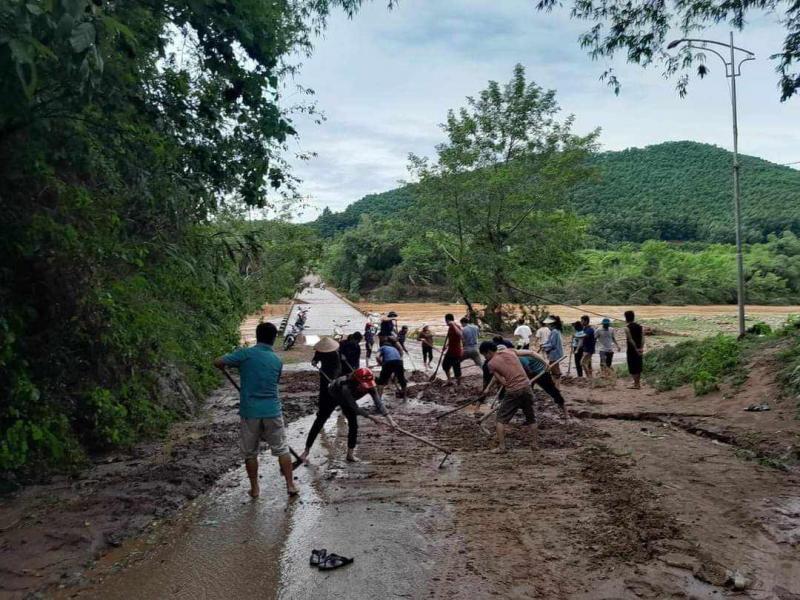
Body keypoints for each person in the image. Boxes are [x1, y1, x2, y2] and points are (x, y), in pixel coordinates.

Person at [213, 322, 296, 498]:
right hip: (272, 410)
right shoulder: (277, 360)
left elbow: (218, 361)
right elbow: (275, 381)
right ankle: (290, 485)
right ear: (274, 339)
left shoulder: (245, 354)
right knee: (282, 448)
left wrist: (223, 365)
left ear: (257, 336)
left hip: (250, 412)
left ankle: (255, 489)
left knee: (250, 452)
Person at [300, 368, 395, 464]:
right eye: (363, 385)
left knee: (353, 425)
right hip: (332, 395)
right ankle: (306, 451)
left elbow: (379, 404)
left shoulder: (370, 387)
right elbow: (356, 409)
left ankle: (350, 454)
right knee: (320, 420)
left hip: (348, 400)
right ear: (356, 382)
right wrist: (371, 417)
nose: (366, 388)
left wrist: (391, 421)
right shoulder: (346, 388)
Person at [478, 342, 539, 454]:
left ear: (489, 352)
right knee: (531, 418)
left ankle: (502, 448)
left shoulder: (491, 363)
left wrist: (504, 384)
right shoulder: (509, 351)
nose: (485, 358)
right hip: (527, 388)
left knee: (500, 419)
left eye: (484, 355)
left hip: (514, 392)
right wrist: (546, 363)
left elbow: (501, 381)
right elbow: (531, 352)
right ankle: (535, 445)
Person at [516, 349, 570, 422]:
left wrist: (526, 380)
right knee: (526, 394)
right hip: (529, 373)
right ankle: (529, 417)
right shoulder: (509, 359)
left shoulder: (520, 358)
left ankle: (566, 413)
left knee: (552, 391)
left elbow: (528, 370)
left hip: (541, 371)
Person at [625, 310, 645, 389]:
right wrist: (641, 348)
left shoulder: (627, 328)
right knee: (638, 365)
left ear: (626, 318)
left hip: (632, 349)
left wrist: (636, 349)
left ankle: (636, 384)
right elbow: (643, 338)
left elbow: (630, 340)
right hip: (640, 348)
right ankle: (637, 383)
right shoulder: (640, 327)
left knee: (632, 366)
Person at [442, 314, 463, 386]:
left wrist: (453, 324)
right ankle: (449, 380)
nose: (445, 323)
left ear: (447, 320)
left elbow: (460, 334)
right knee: (445, 366)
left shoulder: (456, 326)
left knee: (456, 369)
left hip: (456, 352)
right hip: (450, 351)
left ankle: (459, 385)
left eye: (445, 321)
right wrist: (446, 346)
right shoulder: (450, 328)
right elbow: (450, 339)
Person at [580, 315, 596, 383]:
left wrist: (575, 335)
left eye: (582, 321)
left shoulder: (590, 329)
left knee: (582, 363)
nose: (581, 322)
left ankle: (588, 377)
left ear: (586, 321)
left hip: (589, 349)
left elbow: (584, 336)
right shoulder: (585, 329)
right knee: (588, 363)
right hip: (586, 349)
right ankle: (591, 377)